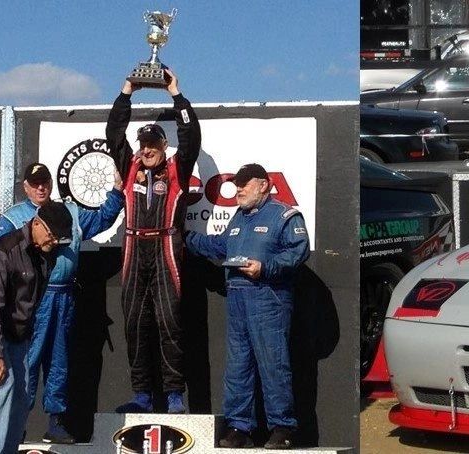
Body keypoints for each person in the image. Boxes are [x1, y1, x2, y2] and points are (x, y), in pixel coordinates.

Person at [0, 163, 124, 442]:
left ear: (51, 183)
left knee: (59, 362)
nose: (41, 188)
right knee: (28, 363)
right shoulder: (13, 218)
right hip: (32, 300)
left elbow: (100, 221)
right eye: (34, 183)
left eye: (44, 182)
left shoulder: (70, 213)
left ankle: (56, 423)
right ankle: (17, 426)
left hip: (65, 297)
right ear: (25, 186)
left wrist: (117, 193)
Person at [185, 164, 309, 450]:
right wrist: (184, 237)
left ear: (264, 185)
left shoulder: (284, 215)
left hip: (268, 296)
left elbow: (298, 251)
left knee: (273, 364)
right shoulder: (239, 217)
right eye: (236, 184)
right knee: (238, 367)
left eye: (244, 183)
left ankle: (283, 427)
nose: (238, 189)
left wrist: (266, 268)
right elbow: (218, 247)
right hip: (238, 298)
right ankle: (240, 426)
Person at [106, 67, 201, 414]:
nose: (146, 150)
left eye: (152, 145)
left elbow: (191, 135)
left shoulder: (177, 170)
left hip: (165, 248)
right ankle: (142, 395)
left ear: (163, 146)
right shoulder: (130, 167)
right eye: (142, 144)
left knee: (169, 323)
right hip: (133, 248)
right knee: (134, 323)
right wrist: (126, 91)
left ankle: (175, 395)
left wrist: (176, 95)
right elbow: (114, 133)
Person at [0, 201, 74, 454]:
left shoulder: (47, 255)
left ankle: (8, 450)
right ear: (36, 223)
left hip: (16, 330)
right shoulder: (4, 251)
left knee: (23, 391)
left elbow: (32, 303)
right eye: (51, 234)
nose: (54, 241)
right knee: (2, 382)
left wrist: (24, 337)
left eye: (59, 238)